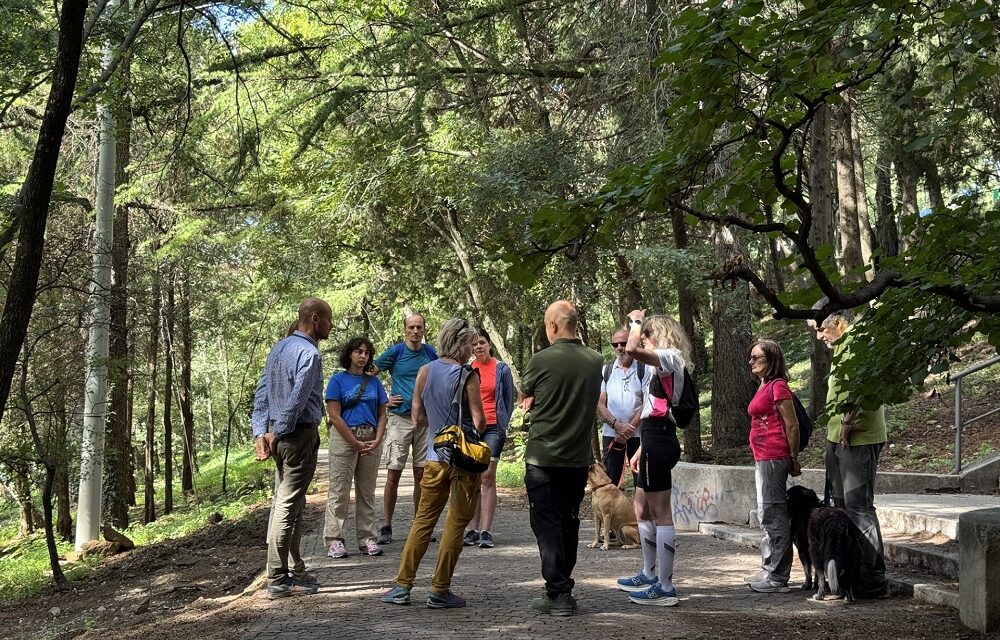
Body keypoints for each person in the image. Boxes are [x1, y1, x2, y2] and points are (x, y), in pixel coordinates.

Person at [380, 318, 486, 609]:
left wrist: (437, 428)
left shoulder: (425, 371)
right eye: (471, 344)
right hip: (463, 459)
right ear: (461, 343)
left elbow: (417, 417)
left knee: (423, 520)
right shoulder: (468, 375)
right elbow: (479, 420)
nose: (473, 350)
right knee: (456, 522)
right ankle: (440, 589)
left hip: (433, 456)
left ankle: (402, 586)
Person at [521, 300, 602, 616]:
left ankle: (558, 592)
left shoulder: (541, 360)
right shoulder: (596, 360)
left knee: (546, 524)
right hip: (578, 461)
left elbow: (526, 394)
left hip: (542, 457)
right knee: (568, 521)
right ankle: (562, 586)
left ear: (553, 326)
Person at [251, 297, 331, 599]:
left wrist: (262, 431)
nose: (330, 326)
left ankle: (294, 570)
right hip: (296, 436)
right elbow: (296, 399)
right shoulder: (309, 353)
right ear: (314, 319)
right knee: (286, 506)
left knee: (291, 505)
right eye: (328, 320)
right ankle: (277, 578)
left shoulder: (278, 349)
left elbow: (261, 395)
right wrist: (275, 432)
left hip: (280, 435)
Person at [615, 309, 691, 607]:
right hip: (652, 437)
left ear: (658, 335)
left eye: (646, 333)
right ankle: (649, 574)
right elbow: (655, 406)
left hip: (660, 436)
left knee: (662, 514)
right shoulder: (662, 363)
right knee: (641, 507)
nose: (640, 339)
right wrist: (642, 448)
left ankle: (666, 587)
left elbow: (631, 349)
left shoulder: (670, 356)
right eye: (641, 332)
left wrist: (634, 321)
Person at [815, 309, 888, 597]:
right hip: (838, 438)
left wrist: (847, 420)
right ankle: (851, 571)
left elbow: (860, 385)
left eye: (822, 328)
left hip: (858, 437)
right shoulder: (842, 347)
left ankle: (873, 577)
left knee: (859, 508)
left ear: (838, 323)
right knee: (843, 507)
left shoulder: (859, 342)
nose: (820, 335)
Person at [372, 313, 438, 545]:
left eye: (419, 327)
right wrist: (383, 400)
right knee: (393, 473)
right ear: (405, 330)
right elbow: (368, 373)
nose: (415, 331)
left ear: (424, 329)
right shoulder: (395, 352)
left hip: (425, 421)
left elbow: (440, 376)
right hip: (400, 420)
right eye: (411, 327)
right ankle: (387, 525)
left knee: (422, 474)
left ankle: (419, 525)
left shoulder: (430, 353)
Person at [743, 339, 801, 593]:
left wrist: (793, 457)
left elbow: (792, 425)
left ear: (771, 360)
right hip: (763, 456)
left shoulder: (778, 387)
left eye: (757, 357)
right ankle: (769, 568)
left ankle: (778, 576)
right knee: (766, 512)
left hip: (774, 457)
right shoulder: (764, 386)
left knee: (774, 513)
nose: (751, 361)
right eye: (751, 357)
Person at [323, 337, 389, 559]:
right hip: (344, 437)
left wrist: (378, 439)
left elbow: (382, 414)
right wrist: (353, 442)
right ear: (349, 354)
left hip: (370, 436)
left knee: (367, 491)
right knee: (339, 490)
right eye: (358, 351)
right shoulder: (338, 381)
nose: (363, 356)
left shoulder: (375, 383)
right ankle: (334, 540)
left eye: (367, 352)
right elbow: (334, 414)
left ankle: (367, 538)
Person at [463, 328, 515, 549]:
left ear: (489, 344)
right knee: (473, 476)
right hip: (471, 429)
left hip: (493, 427)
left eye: (482, 342)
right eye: (474, 344)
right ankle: (472, 529)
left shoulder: (501, 369)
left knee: (487, 476)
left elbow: (508, 399)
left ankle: (486, 530)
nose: (478, 347)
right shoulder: (467, 369)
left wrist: (503, 424)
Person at [596, 328, 648, 489]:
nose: (619, 347)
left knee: (641, 478)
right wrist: (616, 425)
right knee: (610, 481)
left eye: (624, 343)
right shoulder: (606, 370)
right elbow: (599, 403)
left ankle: (642, 514)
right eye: (615, 344)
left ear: (632, 343)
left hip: (639, 433)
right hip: (612, 433)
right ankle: (614, 514)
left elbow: (648, 401)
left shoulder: (644, 368)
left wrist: (629, 428)